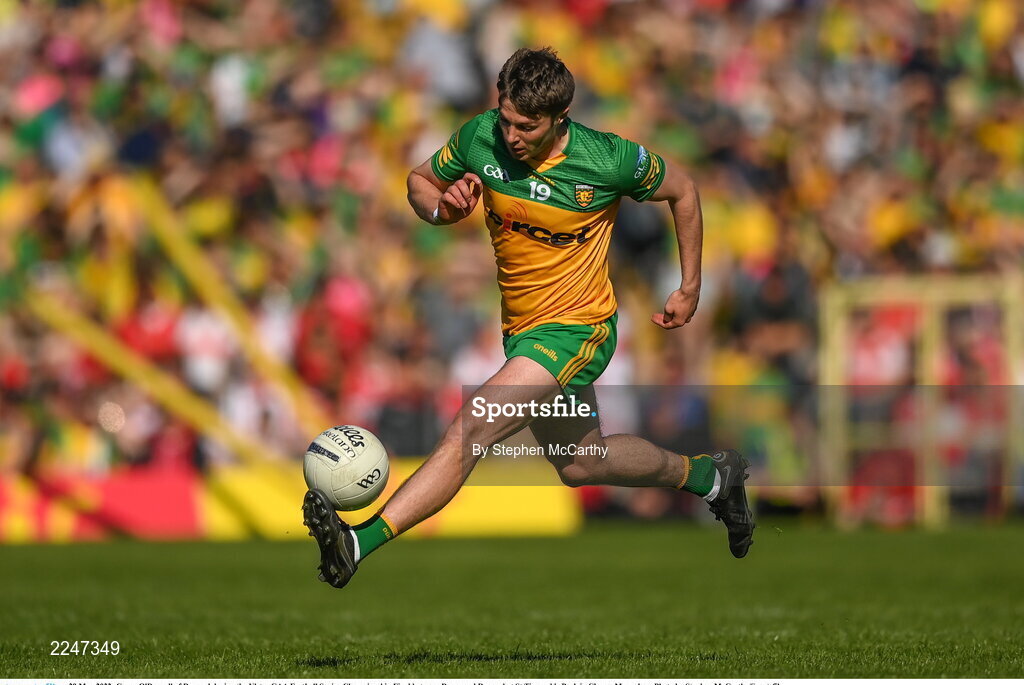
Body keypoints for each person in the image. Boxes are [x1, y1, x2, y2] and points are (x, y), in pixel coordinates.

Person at [302, 47, 754, 589]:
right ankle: (710, 477)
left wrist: (690, 285)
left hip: (578, 328)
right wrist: (444, 208)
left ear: (560, 119)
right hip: (522, 332)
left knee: (472, 428)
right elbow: (419, 183)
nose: (511, 135)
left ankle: (360, 541)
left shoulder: (606, 159)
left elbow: (685, 191)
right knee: (582, 464)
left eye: (526, 126)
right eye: (506, 118)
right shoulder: (481, 135)